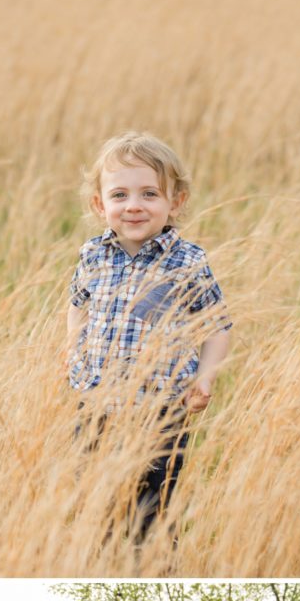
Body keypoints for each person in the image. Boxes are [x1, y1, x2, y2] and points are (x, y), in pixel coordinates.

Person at [68, 131, 231, 539]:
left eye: (150, 194)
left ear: (175, 202)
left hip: (160, 409)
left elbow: (217, 327)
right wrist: (73, 348)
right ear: (99, 204)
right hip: (96, 404)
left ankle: (152, 570)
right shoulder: (93, 255)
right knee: (95, 503)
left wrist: (205, 377)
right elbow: (77, 302)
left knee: (150, 512)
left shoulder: (187, 261)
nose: (134, 206)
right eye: (120, 195)